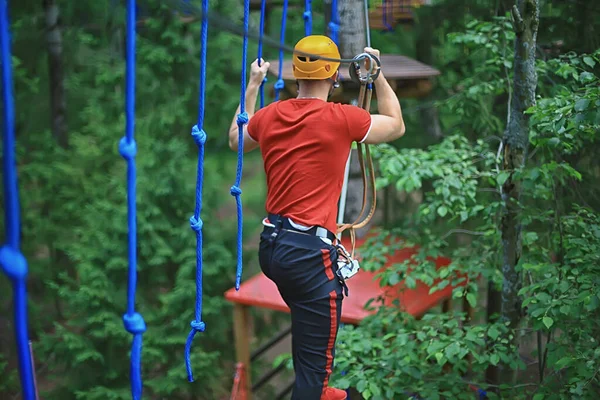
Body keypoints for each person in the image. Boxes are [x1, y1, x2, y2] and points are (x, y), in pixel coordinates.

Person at [227, 35, 405, 400]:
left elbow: (235, 139)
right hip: (308, 258)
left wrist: (252, 86)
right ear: (335, 76)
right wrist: (378, 75)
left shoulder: (270, 114)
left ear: (295, 73)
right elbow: (396, 124)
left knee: (311, 358)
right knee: (313, 385)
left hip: (272, 250)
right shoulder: (343, 119)